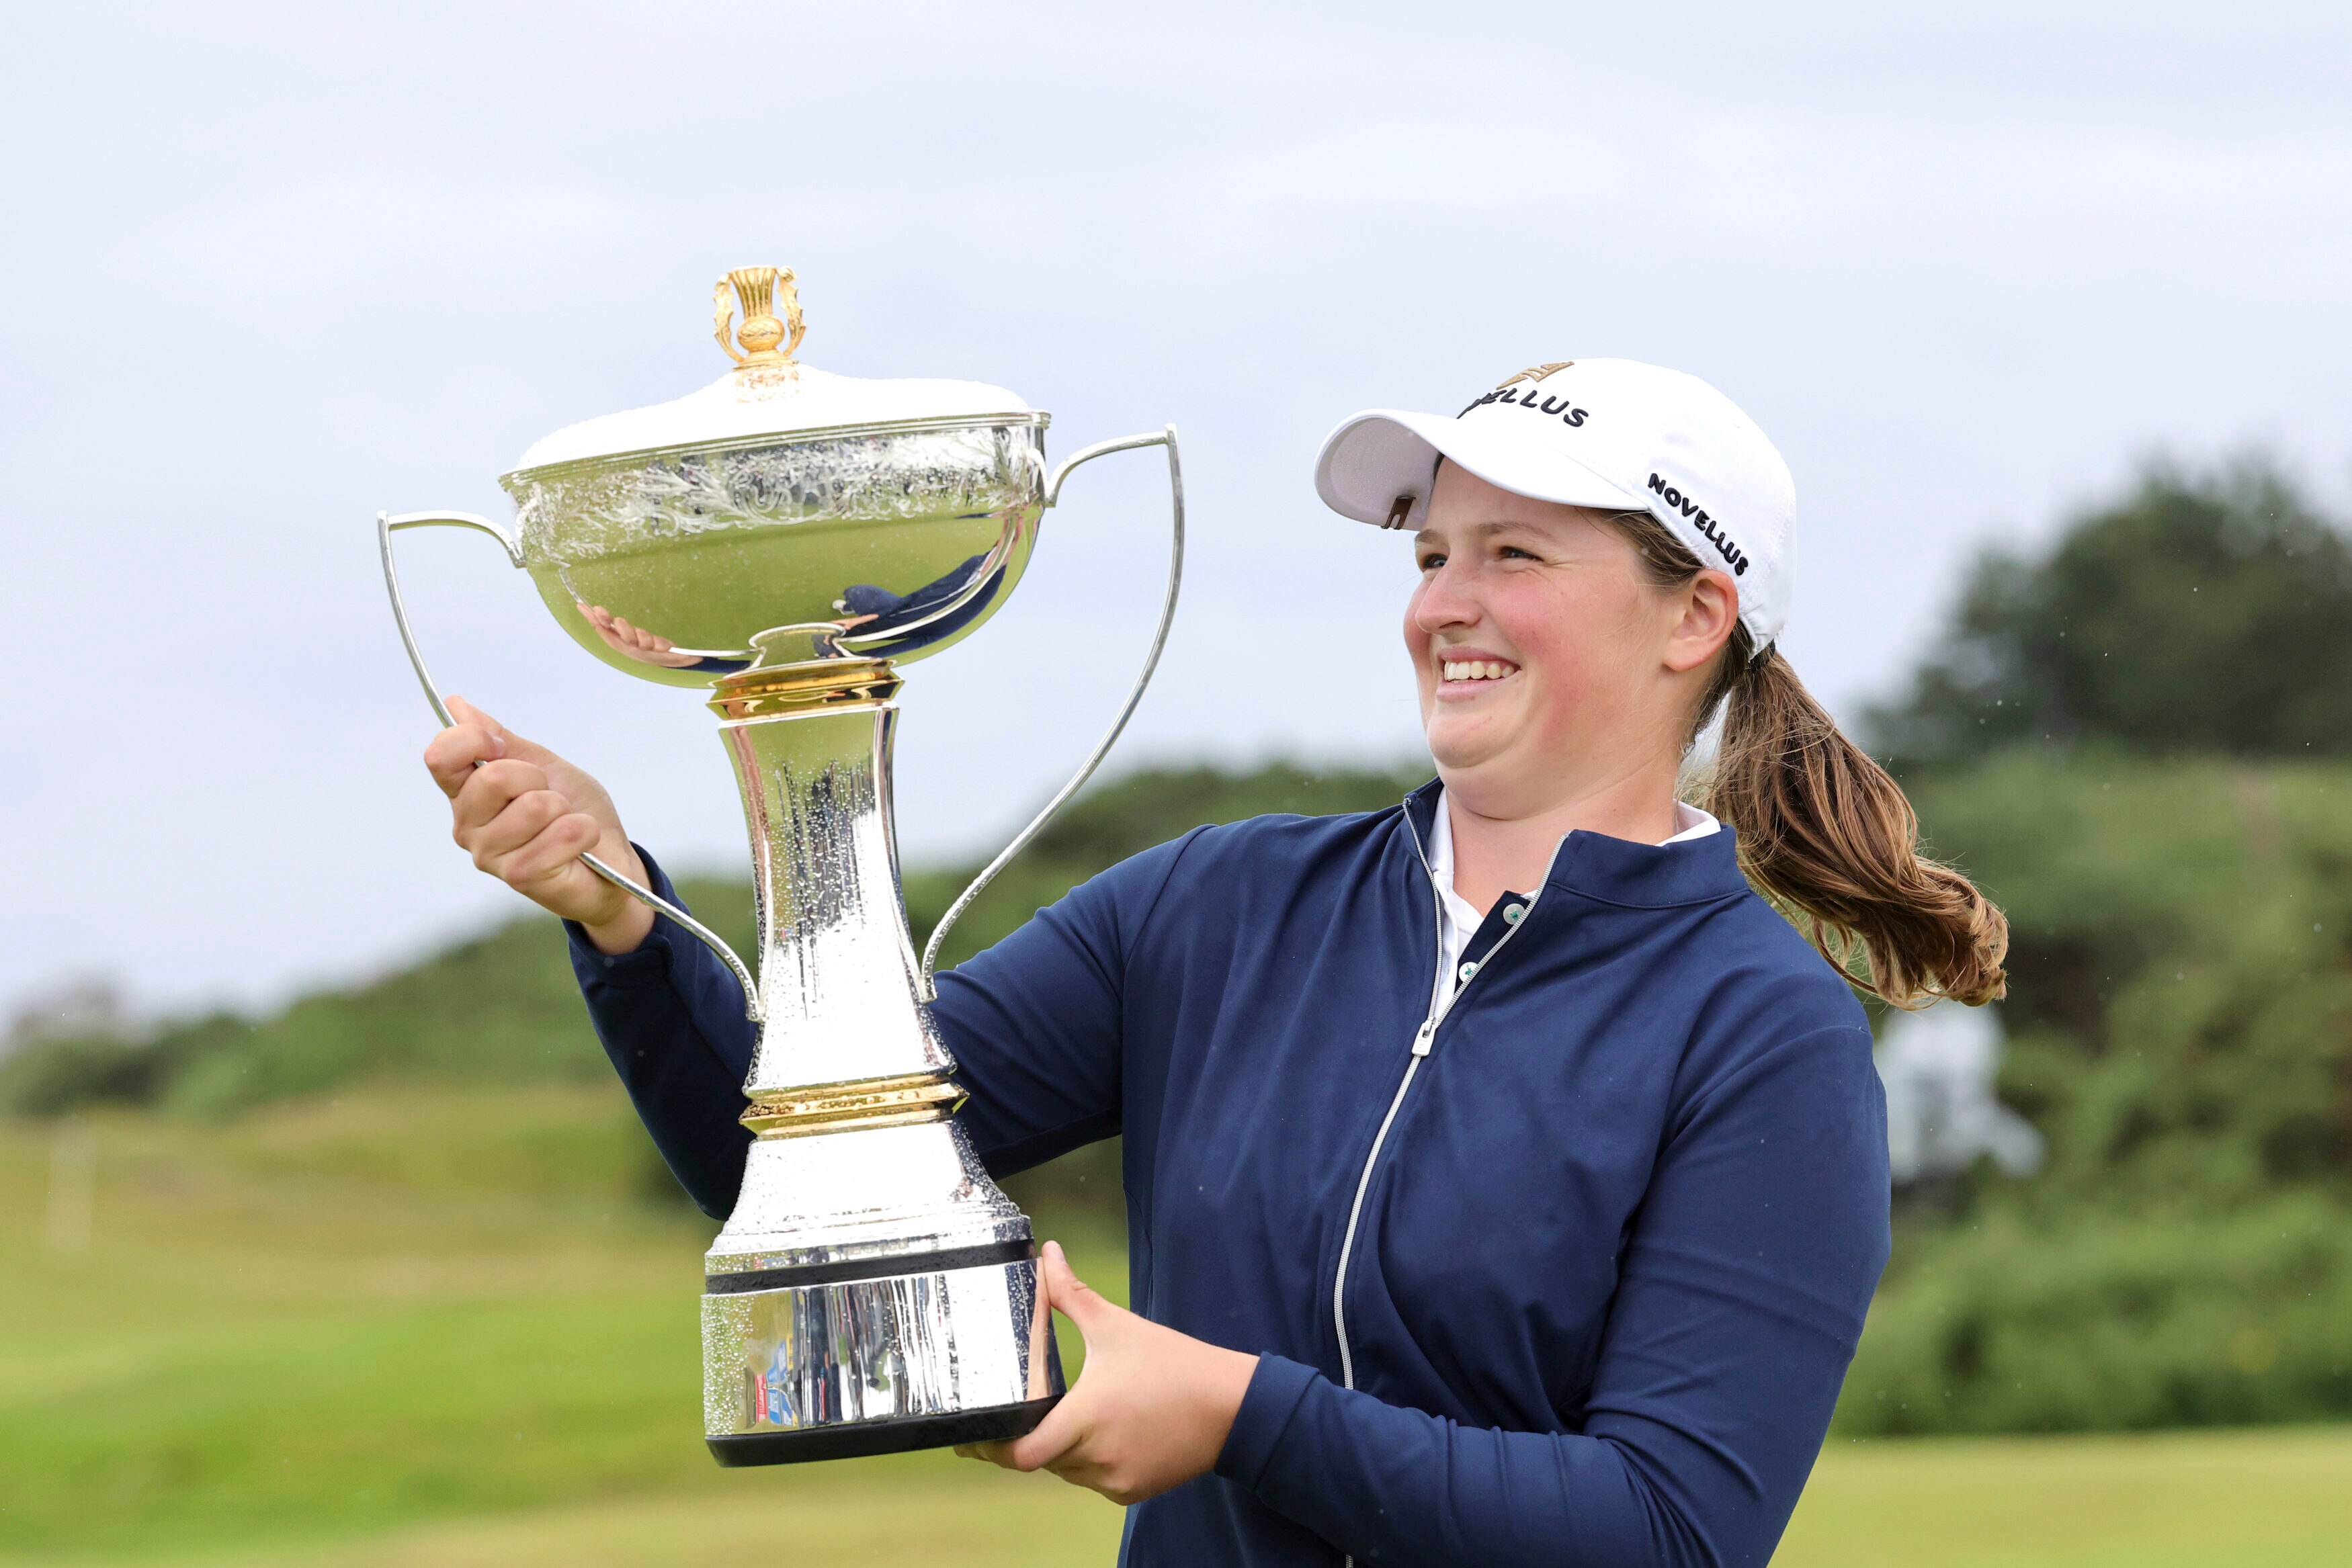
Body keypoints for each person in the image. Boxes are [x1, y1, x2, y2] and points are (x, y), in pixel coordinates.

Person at [424, 358, 2007, 1568]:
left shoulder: (1762, 1034)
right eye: (1428, 556)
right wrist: (624, 916)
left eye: (1514, 555)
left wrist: (1242, 1417)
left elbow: (1668, 1528)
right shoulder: (1218, 902)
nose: (1446, 606)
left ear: (1692, 620)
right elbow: (797, 1168)